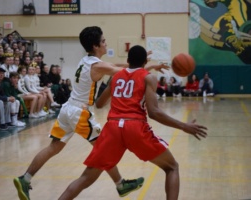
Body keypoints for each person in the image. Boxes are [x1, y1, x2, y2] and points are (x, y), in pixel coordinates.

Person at [13, 26, 169, 200]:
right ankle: (120, 184)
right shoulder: (98, 66)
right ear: (96, 46)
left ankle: (25, 178)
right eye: (103, 41)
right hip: (80, 112)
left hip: (67, 109)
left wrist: (141, 62)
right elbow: (126, 72)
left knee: (53, 147)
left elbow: (117, 65)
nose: (105, 43)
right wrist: (147, 65)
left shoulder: (86, 60)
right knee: (104, 148)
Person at [58, 45, 208, 200]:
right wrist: (184, 126)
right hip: (135, 127)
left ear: (128, 60)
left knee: (85, 178)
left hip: (113, 129)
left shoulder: (115, 77)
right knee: (172, 167)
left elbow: (100, 104)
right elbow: (154, 113)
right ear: (145, 62)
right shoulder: (148, 77)